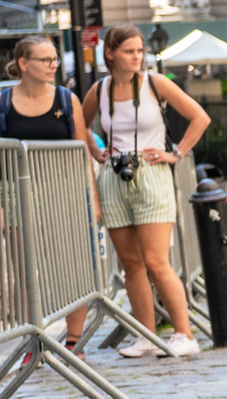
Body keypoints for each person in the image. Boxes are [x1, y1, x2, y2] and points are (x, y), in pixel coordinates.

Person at [78, 25, 209, 360]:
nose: (137, 57)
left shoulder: (155, 83)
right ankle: (146, 336)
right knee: (131, 263)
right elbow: (80, 124)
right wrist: (95, 151)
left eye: (140, 51)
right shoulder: (101, 89)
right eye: (129, 51)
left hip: (150, 174)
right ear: (110, 53)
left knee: (155, 260)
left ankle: (184, 333)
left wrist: (176, 152)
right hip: (114, 175)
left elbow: (200, 117)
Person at [0, 35, 89, 351]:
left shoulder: (67, 101)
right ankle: (34, 343)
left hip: (61, 191)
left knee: (70, 267)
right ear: (24, 64)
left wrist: (90, 201)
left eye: (54, 59)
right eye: (45, 60)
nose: (53, 65)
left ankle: (73, 342)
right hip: (15, 194)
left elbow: (81, 152)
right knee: (27, 272)